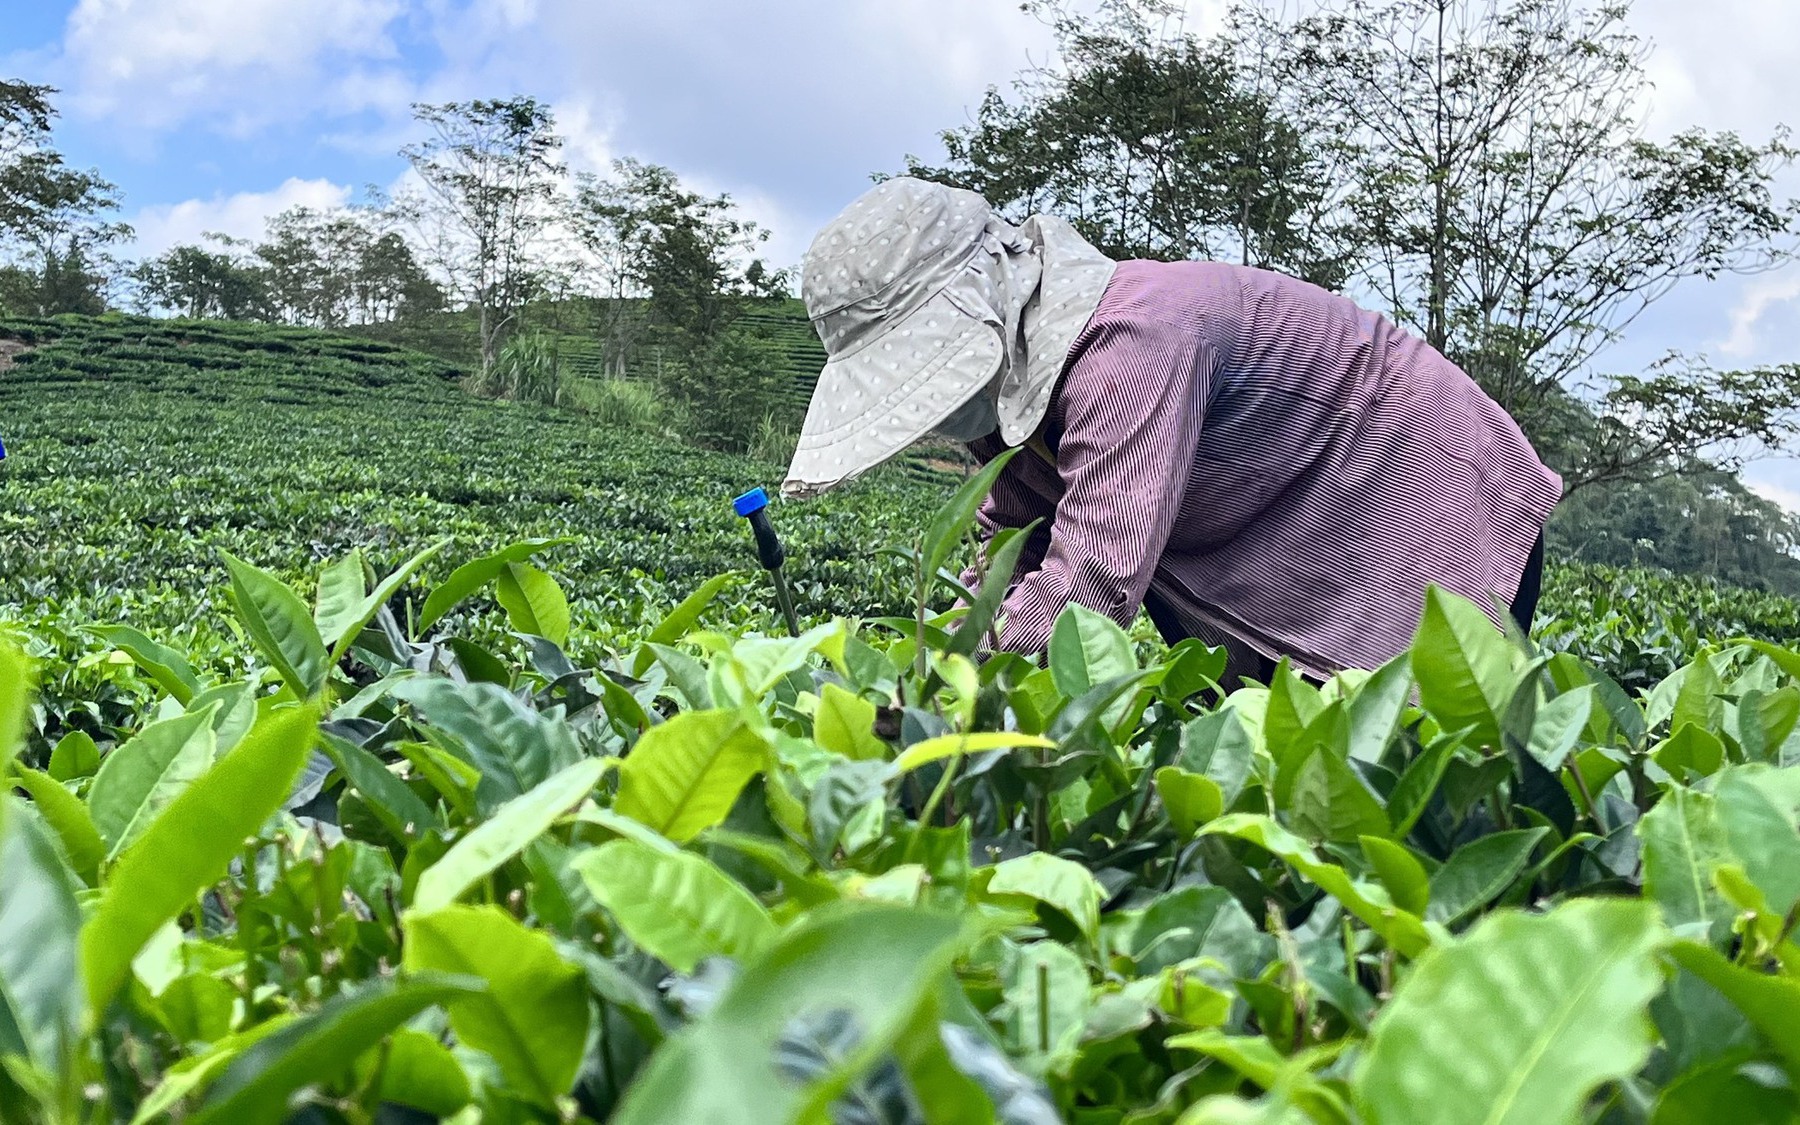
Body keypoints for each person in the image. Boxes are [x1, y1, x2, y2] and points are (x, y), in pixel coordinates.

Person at [782, 177, 1560, 684]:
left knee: (1413, 775)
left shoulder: (1134, 347)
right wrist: (934, 659)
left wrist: (954, 696)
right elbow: (1006, 549)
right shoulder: (1019, 397)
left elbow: (1092, 583)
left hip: (1427, 502)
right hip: (1276, 536)